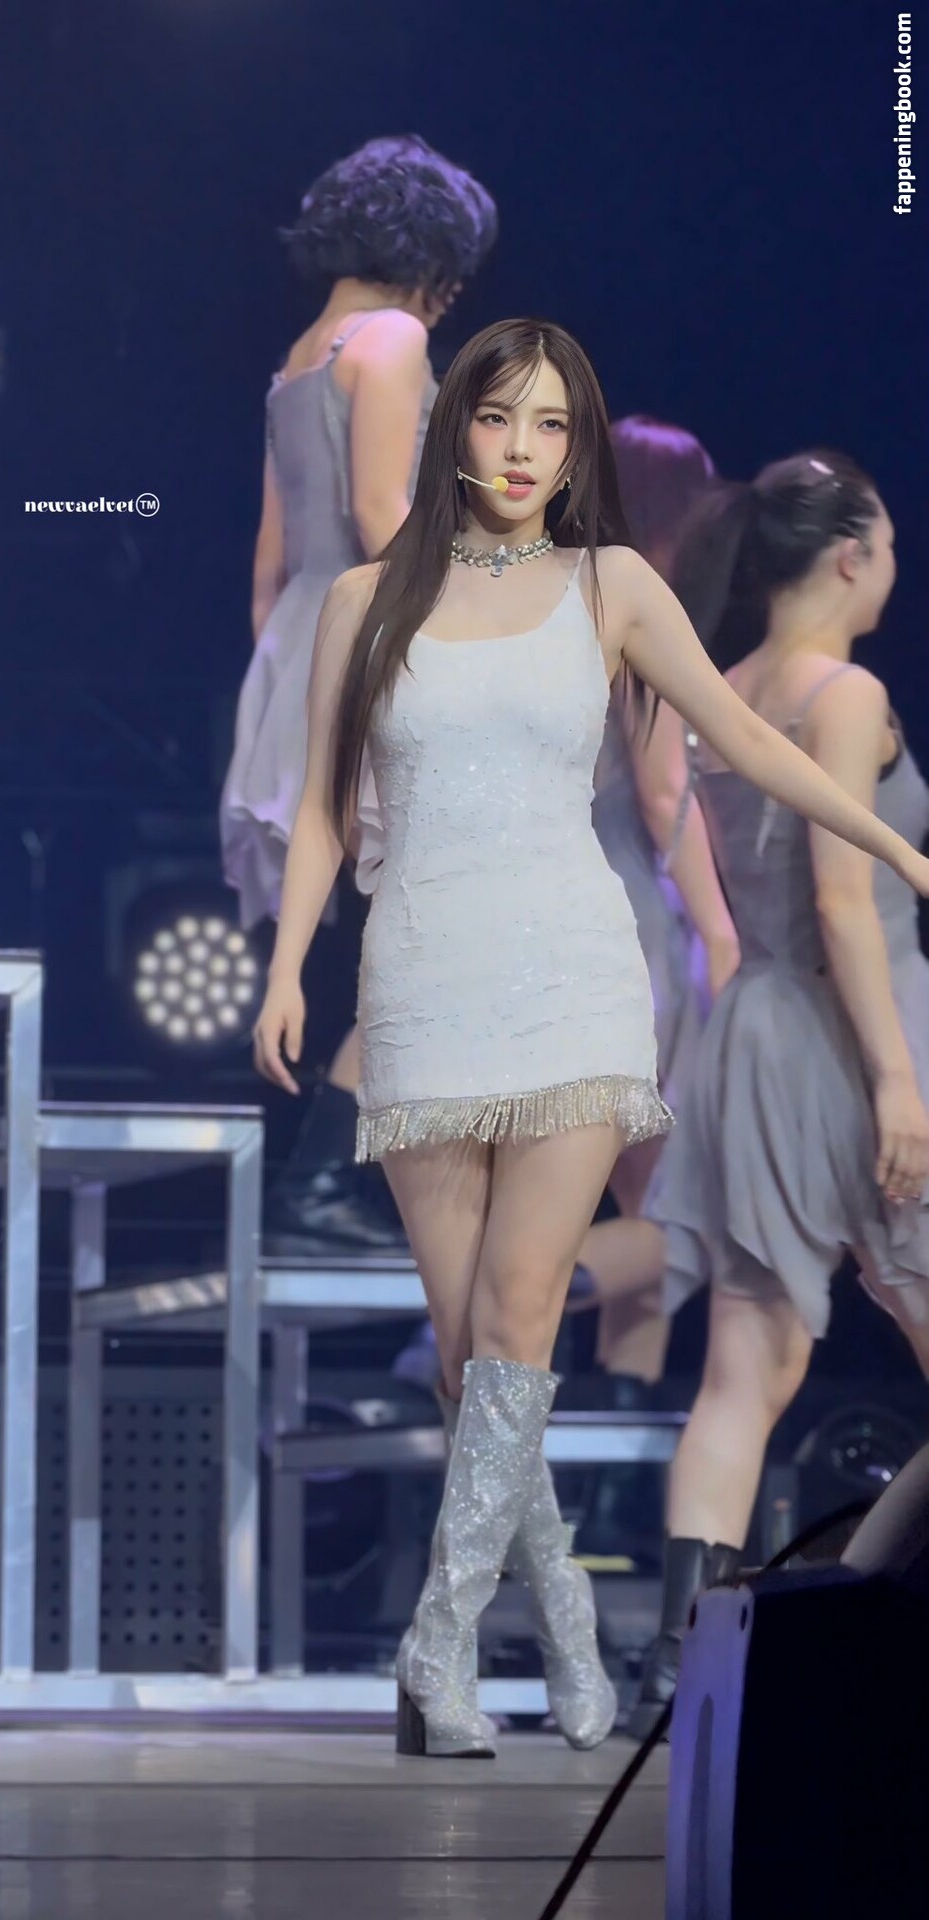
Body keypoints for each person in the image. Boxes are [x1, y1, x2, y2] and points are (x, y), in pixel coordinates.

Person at [252, 320, 929, 1760]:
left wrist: (893, 844)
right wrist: (287, 969)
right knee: (468, 1355)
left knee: (517, 1317)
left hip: (571, 978)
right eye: (499, 418)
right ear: (456, 428)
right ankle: (562, 1612)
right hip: (422, 982)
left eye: (552, 426)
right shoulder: (366, 600)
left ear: (576, 449)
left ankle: (436, 1650)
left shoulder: (611, 582)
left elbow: (747, 744)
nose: (521, 450)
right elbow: (319, 805)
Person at [627, 451, 929, 1736]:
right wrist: (896, 1082)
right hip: (848, 1035)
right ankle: (874, 1610)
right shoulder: (841, 692)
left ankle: (673, 1665)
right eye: (891, 544)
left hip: (747, 1037)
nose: (895, 567)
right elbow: (841, 902)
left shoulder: (727, 686)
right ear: (851, 553)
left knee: (741, 1376)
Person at [220, 134, 497, 1255]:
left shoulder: (298, 359)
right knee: (436, 921)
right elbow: (386, 517)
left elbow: (269, 571)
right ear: (425, 253)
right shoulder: (390, 339)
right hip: (386, 635)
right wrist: (478, 635)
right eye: (454, 268)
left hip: (306, 642)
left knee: (408, 922)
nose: (454, 293)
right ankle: (322, 1181)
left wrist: (295, 685)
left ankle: (327, 1179)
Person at [571, 420, 739, 1564]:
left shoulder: (553, 602)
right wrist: (722, 934)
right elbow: (664, 789)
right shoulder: (641, 610)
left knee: (646, 1199)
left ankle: (606, 1501)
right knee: (688, 1216)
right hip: (634, 923)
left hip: (563, 909)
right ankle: (491, 1306)